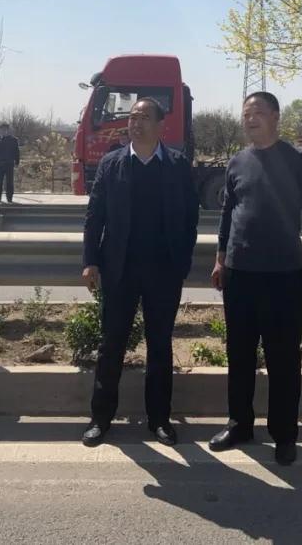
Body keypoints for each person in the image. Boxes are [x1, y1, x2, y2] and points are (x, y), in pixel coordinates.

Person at [209, 92, 302, 466]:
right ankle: (239, 424)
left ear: (276, 116)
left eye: (258, 112)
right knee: (239, 353)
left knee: (283, 357)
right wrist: (220, 259)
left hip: (283, 273)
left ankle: (284, 434)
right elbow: (228, 214)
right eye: (246, 113)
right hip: (239, 273)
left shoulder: (297, 160)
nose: (250, 118)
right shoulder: (237, 162)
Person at [80, 97, 199, 447]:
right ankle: (100, 419)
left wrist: (182, 262)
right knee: (111, 344)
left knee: (159, 345)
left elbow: (190, 218)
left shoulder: (177, 165)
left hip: (164, 271)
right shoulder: (112, 163)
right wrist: (90, 261)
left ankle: (159, 419)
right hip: (120, 270)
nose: (136, 122)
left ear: (161, 125)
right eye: (132, 116)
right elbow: (95, 216)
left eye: (144, 117)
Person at [0, 122, 21, 203]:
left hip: (9, 163)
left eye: (5, 129)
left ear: (8, 130)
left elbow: (17, 152)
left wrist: (17, 162)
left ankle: (9, 199)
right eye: (2, 129)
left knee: (9, 182)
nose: (3, 131)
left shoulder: (14, 140)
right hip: (0, 163)